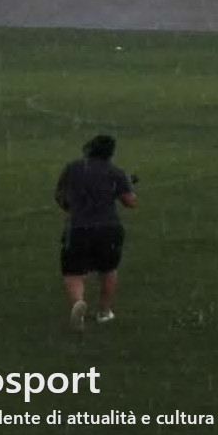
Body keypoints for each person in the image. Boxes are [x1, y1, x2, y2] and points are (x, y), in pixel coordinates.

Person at [55, 135, 137, 331]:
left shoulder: (73, 167)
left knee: (74, 272)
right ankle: (104, 312)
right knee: (108, 269)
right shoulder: (115, 172)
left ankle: (78, 304)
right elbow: (130, 201)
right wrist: (127, 186)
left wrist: (72, 208)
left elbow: (60, 196)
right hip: (108, 227)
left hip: (78, 227)